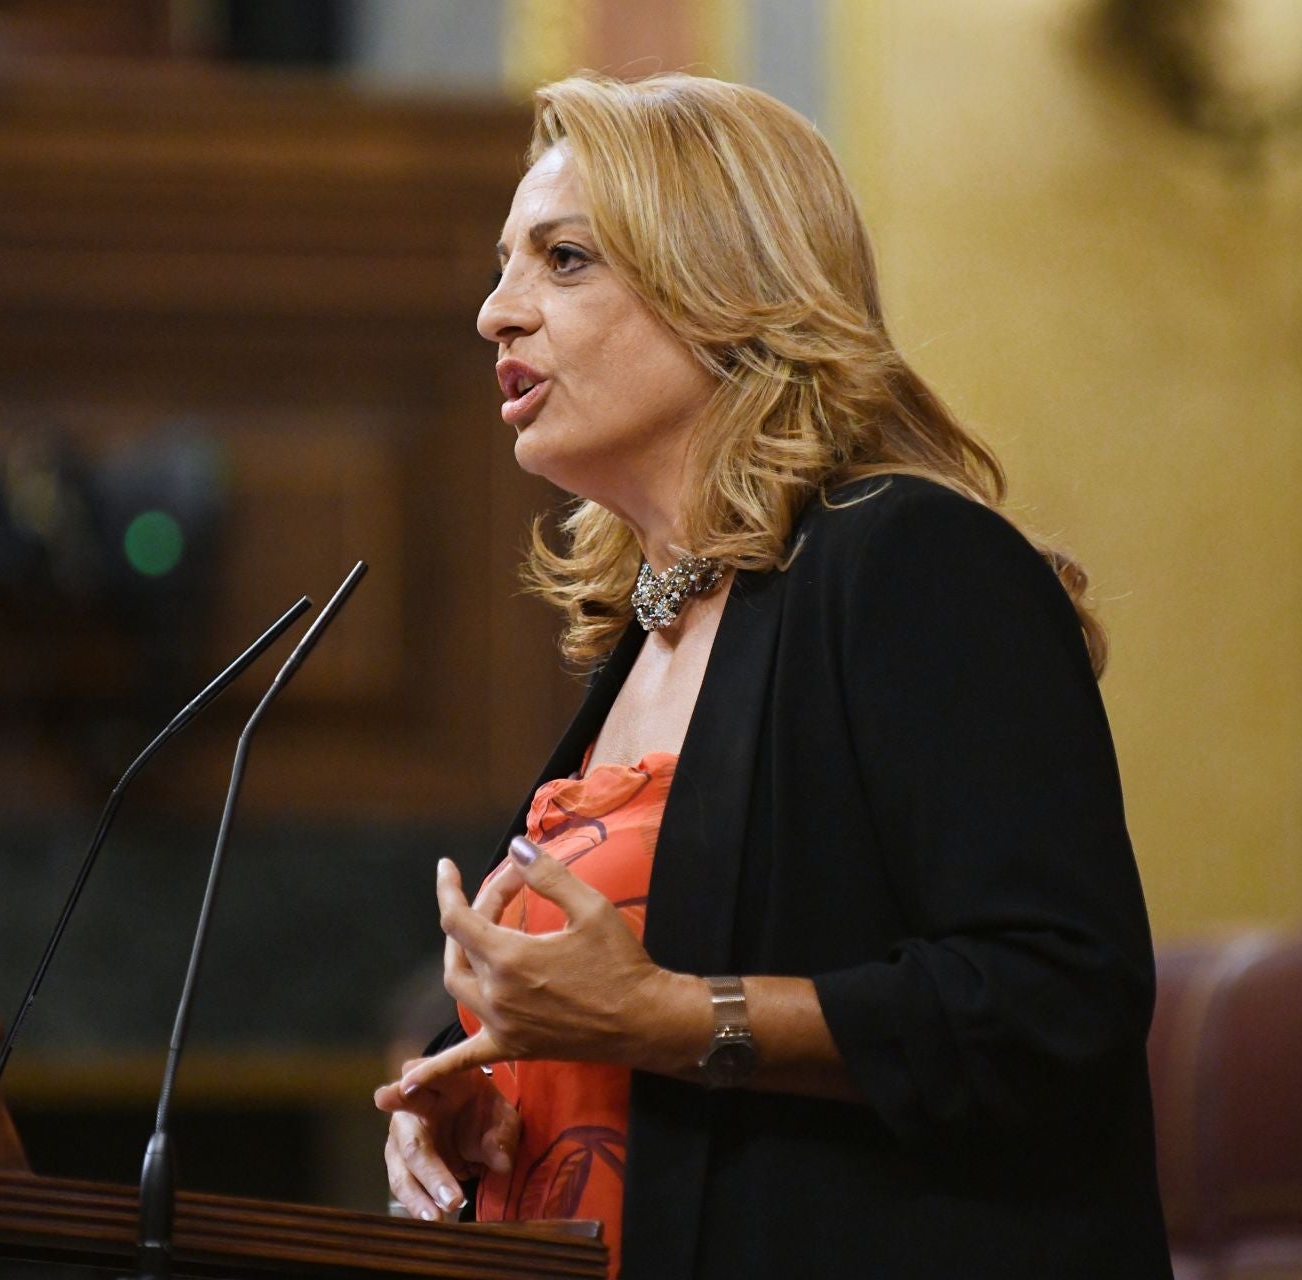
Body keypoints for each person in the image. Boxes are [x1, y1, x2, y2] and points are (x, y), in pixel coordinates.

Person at [372, 74, 1173, 1279]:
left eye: (565, 258)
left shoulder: (908, 558)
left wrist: (668, 1022)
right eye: (502, 264)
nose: (496, 311)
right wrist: (484, 1093)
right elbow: (644, 989)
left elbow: (1058, 996)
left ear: (726, 288)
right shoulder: (644, 632)